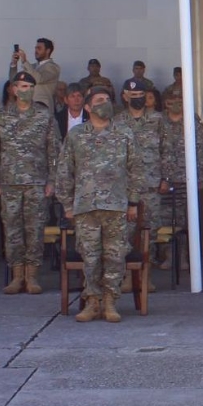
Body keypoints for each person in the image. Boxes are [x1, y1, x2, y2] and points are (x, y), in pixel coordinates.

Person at [56, 87, 142, 322]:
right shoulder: (76, 135)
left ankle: (110, 301)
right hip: (85, 207)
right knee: (90, 256)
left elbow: (136, 169)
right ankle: (92, 301)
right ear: (87, 107)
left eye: (107, 100)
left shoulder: (124, 133)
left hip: (116, 206)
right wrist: (66, 204)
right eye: (99, 100)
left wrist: (133, 202)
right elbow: (65, 171)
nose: (104, 103)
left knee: (115, 255)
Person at [0, 72, 60, 295]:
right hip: (9, 183)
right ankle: (17, 276)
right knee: (12, 231)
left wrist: (52, 180)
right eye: (21, 86)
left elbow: (54, 150)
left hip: (37, 183)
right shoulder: (1, 116)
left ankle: (33, 277)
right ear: (14, 89)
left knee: (35, 230)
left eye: (29, 86)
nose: (25, 90)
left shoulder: (44, 116)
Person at [114, 79, 165, 282]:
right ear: (125, 97)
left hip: (151, 185)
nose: (138, 99)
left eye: (141, 95)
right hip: (124, 188)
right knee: (124, 234)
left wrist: (166, 178)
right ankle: (127, 276)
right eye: (133, 96)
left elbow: (167, 150)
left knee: (149, 233)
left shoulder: (158, 120)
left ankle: (145, 277)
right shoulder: (116, 122)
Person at [158, 85, 203, 269]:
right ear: (165, 103)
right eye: (172, 101)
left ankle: (184, 257)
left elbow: (202, 150)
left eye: (180, 101)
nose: (176, 105)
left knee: (186, 221)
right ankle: (169, 257)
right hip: (163, 181)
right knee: (165, 221)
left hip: (187, 180)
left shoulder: (192, 121)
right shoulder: (158, 122)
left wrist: (200, 177)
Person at [10, 38, 60, 110]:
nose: (36, 51)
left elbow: (38, 79)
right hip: (27, 107)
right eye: (35, 48)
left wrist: (24, 61)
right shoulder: (32, 67)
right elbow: (14, 80)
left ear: (48, 51)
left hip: (43, 108)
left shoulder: (53, 67)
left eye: (39, 48)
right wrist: (13, 64)